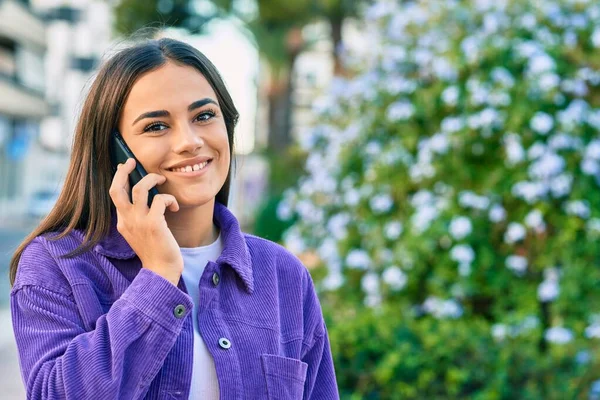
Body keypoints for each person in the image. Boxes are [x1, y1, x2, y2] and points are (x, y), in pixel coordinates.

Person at [9, 37, 339, 399]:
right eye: (156, 126)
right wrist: (158, 277)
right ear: (114, 152)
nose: (190, 140)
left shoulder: (284, 276)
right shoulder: (56, 266)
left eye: (204, 116)